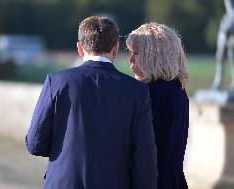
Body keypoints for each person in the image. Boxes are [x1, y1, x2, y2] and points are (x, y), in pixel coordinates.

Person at [26, 16, 157, 189]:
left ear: (80, 48)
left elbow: (35, 145)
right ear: (116, 48)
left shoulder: (56, 82)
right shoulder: (137, 91)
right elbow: (144, 158)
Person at [126, 23, 189, 189]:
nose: (130, 59)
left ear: (153, 56)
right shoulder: (178, 90)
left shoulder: (148, 94)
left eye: (136, 53)